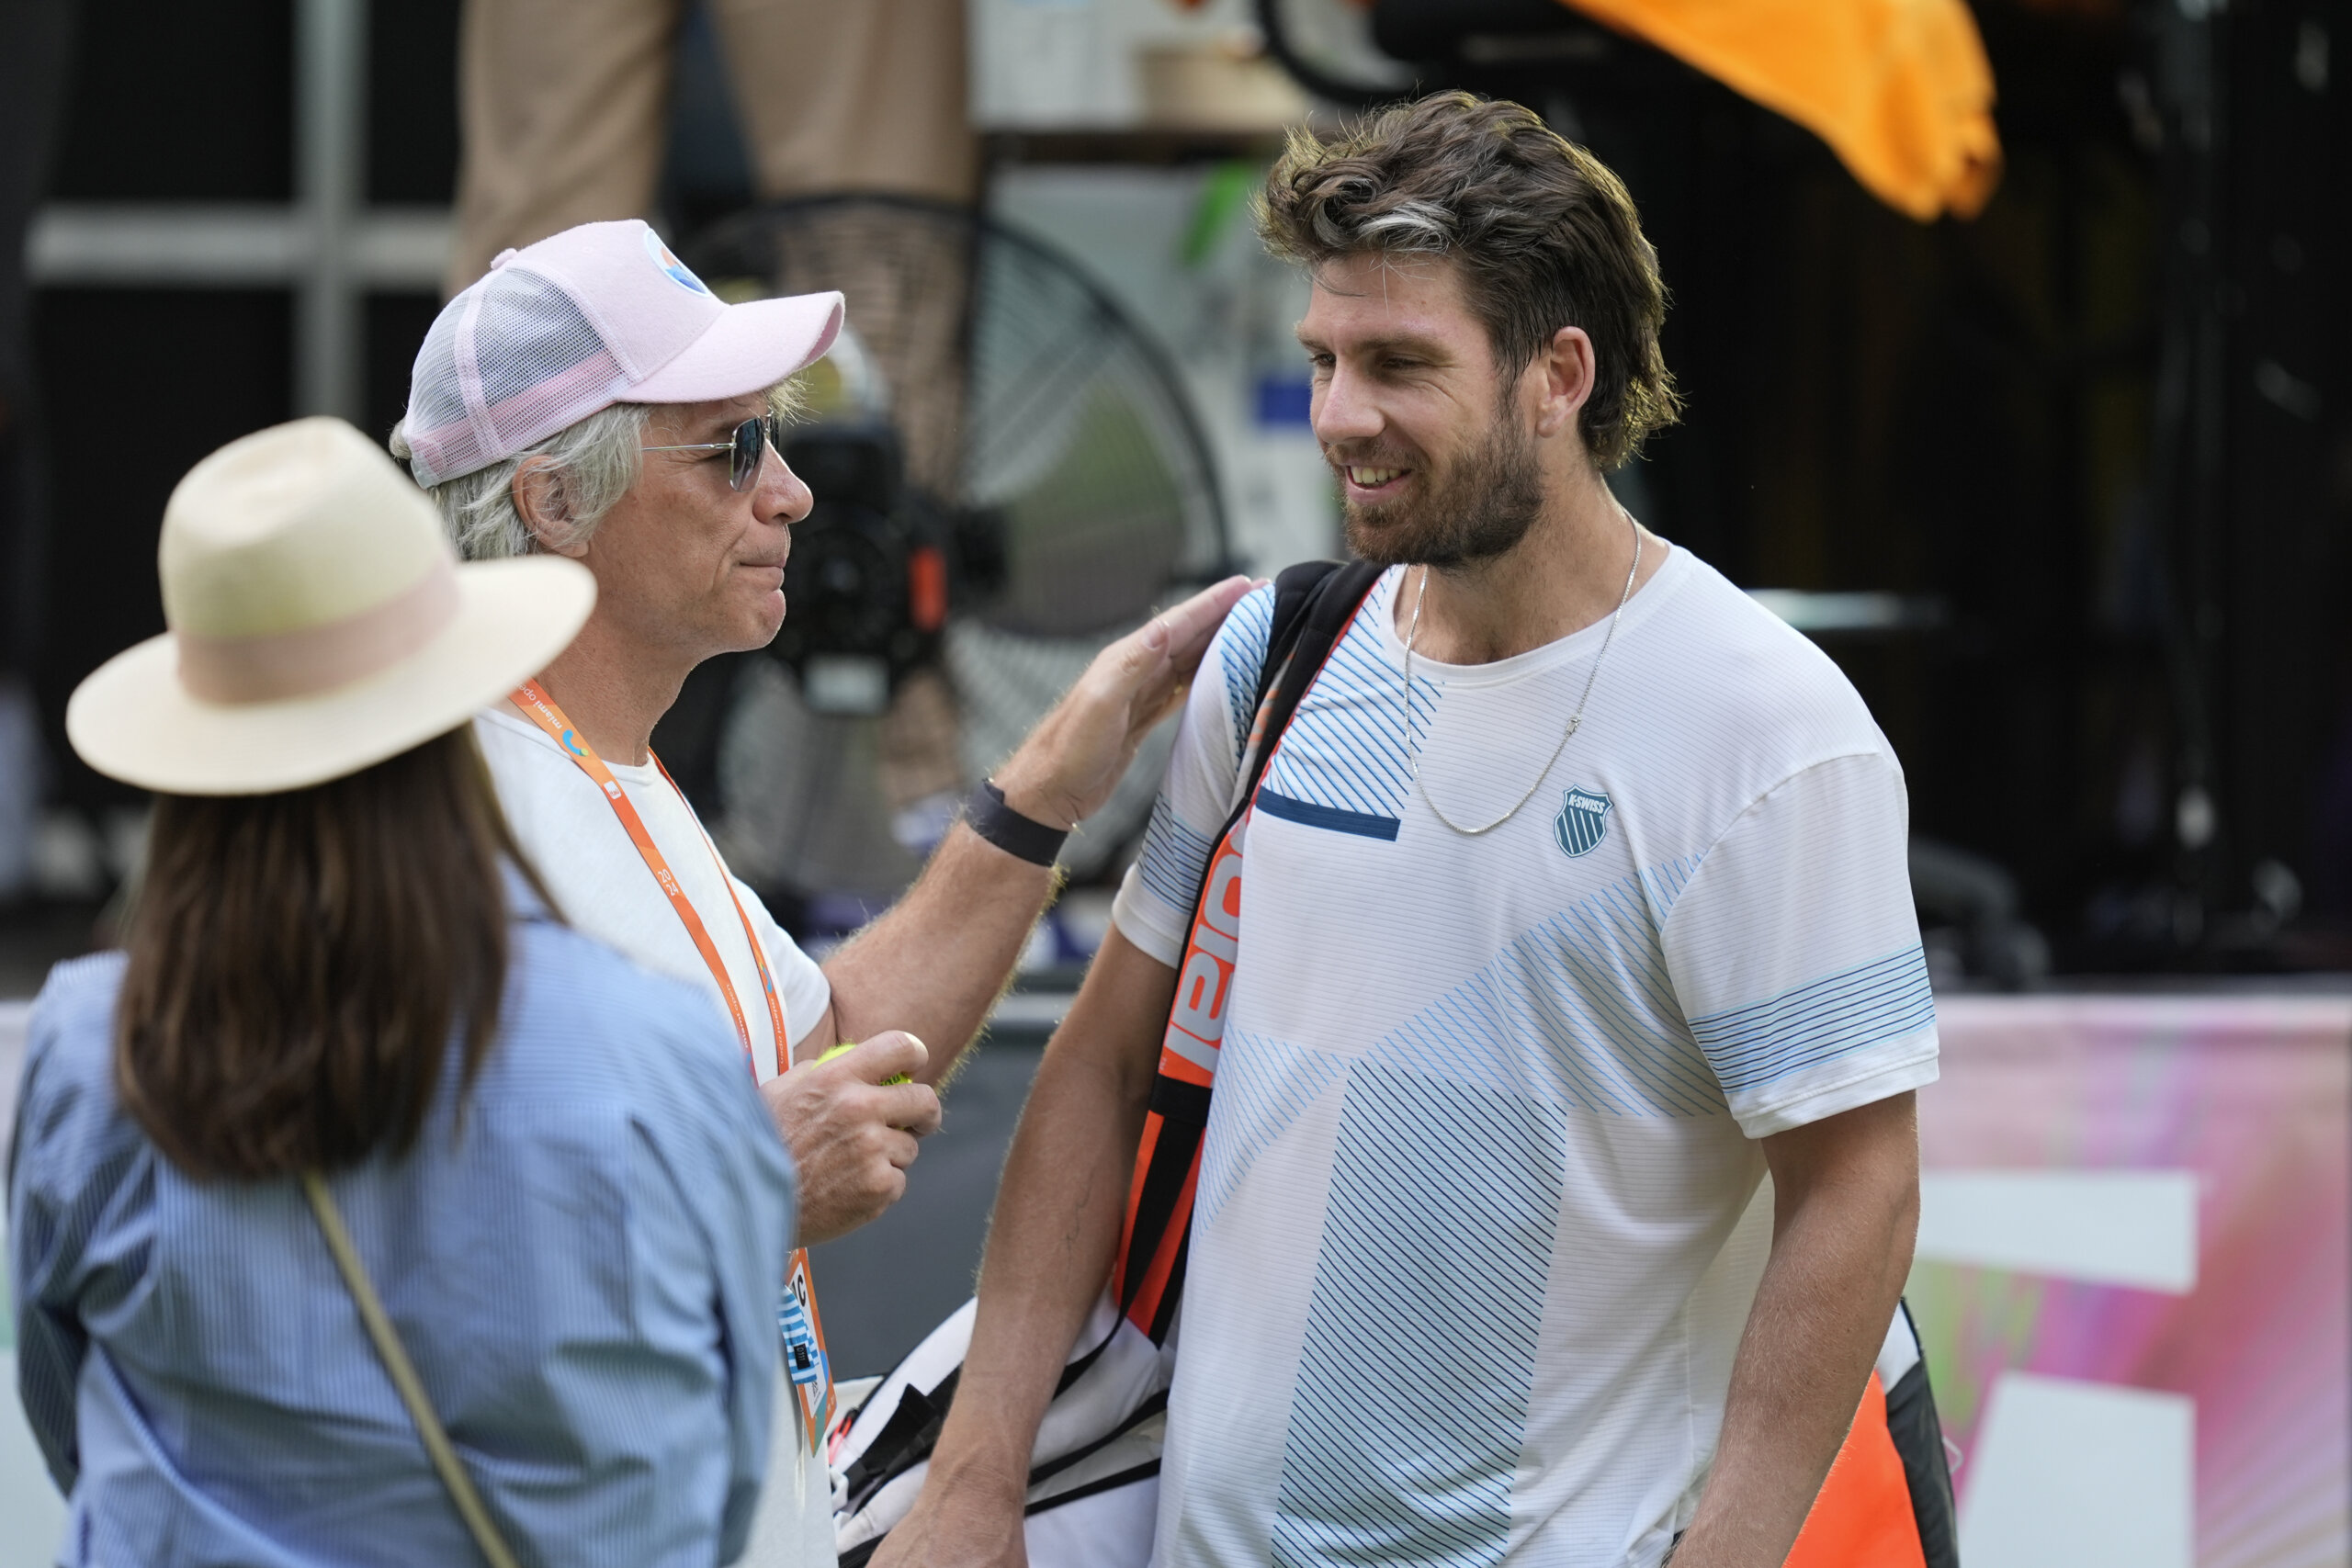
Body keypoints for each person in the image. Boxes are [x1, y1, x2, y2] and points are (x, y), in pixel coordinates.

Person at [883, 93, 1934, 1568]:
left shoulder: (1766, 727)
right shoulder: (1278, 658)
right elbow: (1103, 1064)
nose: (1338, 417)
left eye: (1399, 365)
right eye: (1323, 359)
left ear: (1559, 374)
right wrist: (977, 1479)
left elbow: (1857, 1188)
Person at [389, 216, 1250, 1562]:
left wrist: (1046, 787)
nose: (790, 491)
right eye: (735, 448)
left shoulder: (598, 766)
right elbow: (401, 1268)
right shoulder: (454, 817)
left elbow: (823, 1035)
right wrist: (744, 1183)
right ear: (556, 502)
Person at [11, 417, 802, 1565]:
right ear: (450, 714)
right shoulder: (655, 1052)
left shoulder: (94, 1051)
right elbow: (727, 1474)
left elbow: (71, 1416)